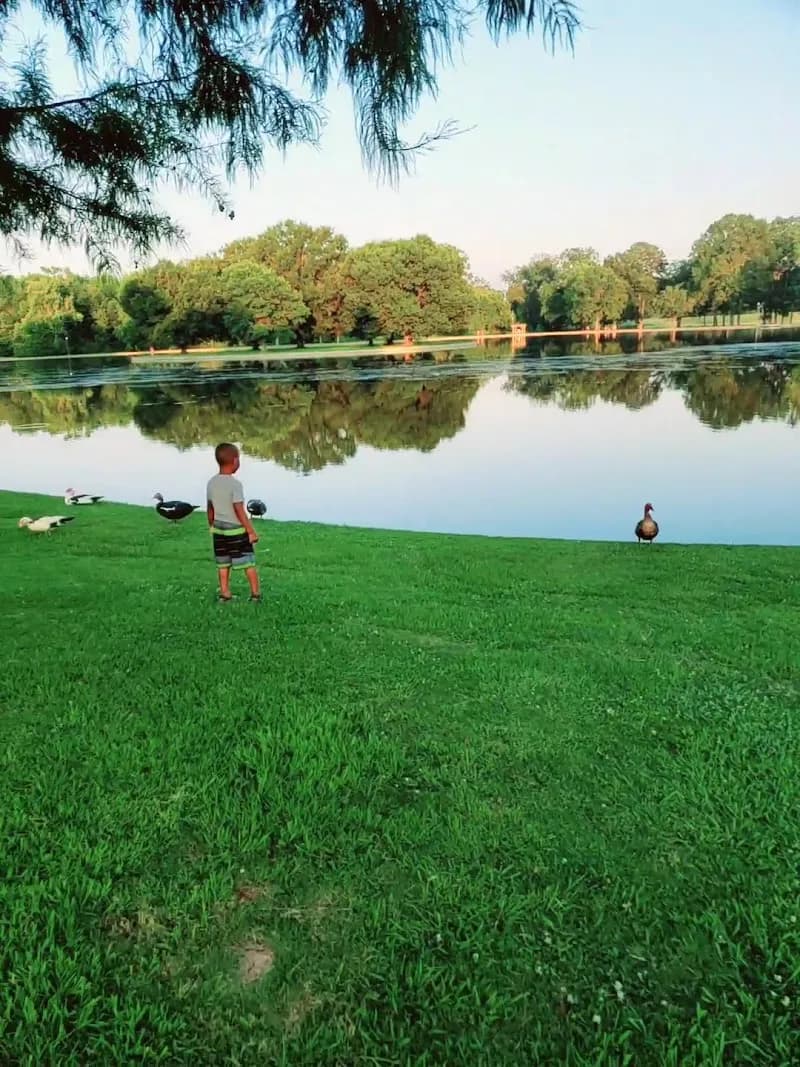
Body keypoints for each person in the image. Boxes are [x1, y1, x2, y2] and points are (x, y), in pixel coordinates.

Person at [206, 442, 261, 603]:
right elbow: (239, 509)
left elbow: (210, 507)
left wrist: (211, 524)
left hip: (218, 529)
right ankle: (255, 594)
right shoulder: (235, 484)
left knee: (222, 563)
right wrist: (250, 531)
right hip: (236, 530)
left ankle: (225, 593)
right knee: (248, 562)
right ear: (235, 461)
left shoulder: (211, 482)